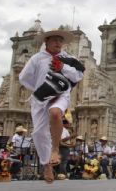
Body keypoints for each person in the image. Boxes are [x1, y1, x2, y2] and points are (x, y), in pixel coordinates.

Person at [19, 29, 85, 183]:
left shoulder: (68, 58)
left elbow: (78, 75)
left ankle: (55, 150)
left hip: (61, 94)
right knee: (39, 133)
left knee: (55, 113)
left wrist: (62, 67)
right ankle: (46, 164)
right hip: (40, 98)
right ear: (46, 42)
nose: (58, 43)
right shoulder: (37, 58)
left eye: (60, 40)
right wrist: (39, 89)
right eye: (54, 40)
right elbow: (23, 77)